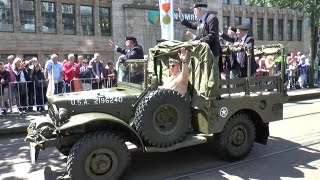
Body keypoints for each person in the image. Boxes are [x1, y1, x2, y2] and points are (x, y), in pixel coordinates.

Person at [178, 3, 221, 73]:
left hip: (211, 53)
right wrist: (182, 19)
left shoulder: (212, 18)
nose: (194, 13)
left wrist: (200, 41)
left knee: (211, 74)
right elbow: (191, 25)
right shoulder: (200, 21)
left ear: (199, 10)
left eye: (194, 11)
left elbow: (213, 35)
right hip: (202, 52)